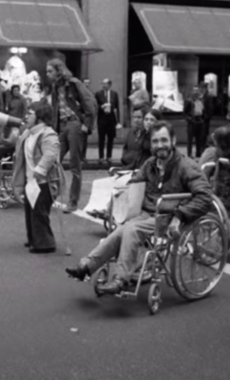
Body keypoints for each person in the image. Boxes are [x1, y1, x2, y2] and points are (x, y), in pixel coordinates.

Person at [66, 121, 213, 294]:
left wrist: (180, 215)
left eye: (164, 140)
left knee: (131, 228)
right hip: (146, 214)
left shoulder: (186, 166)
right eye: (155, 141)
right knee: (120, 230)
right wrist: (122, 195)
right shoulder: (150, 164)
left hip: (167, 217)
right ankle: (87, 266)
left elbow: (205, 197)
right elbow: (135, 184)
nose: (160, 145)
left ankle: (120, 279)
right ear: (151, 144)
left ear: (173, 141)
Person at [12, 103, 66, 254]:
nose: (27, 116)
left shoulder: (48, 133)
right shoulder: (28, 133)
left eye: (30, 113)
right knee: (31, 211)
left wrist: (39, 170)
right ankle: (34, 239)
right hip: (32, 180)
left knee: (39, 212)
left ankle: (45, 243)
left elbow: (50, 155)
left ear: (40, 117)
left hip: (45, 181)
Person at [46, 58, 96, 213]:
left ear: (58, 71)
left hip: (75, 124)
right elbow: (55, 109)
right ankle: (51, 195)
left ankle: (73, 201)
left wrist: (86, 125)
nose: (47, 74)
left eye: (50, 71)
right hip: (62, 126)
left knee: (75, 165)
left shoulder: (73, 83)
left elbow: (90, 102)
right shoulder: (55, 87)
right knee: (53, 161)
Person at [184, 85, 207, 158]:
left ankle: (198, 153)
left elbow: (203, 110)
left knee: (199, 139)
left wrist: (203, 119)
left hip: (200, 120)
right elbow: (184, 113)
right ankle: (189, 153)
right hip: (192, 120)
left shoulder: (201, 100)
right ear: (192, 91)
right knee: (190, 139)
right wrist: (189, 119)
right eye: (194, 90)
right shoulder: (188, 100)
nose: (196, 92)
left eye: (197, 90)